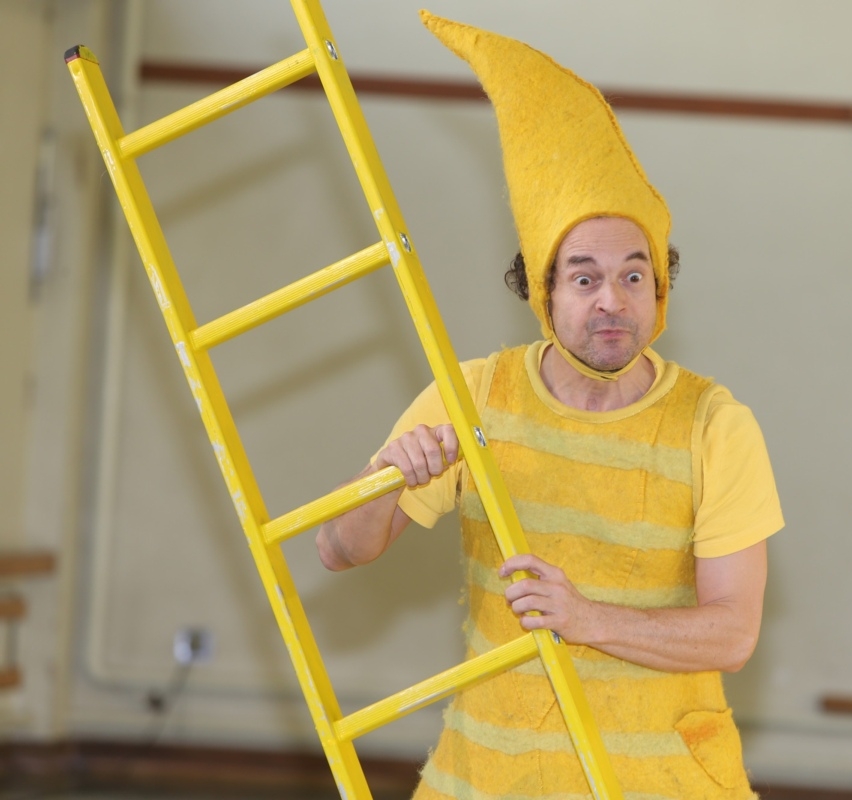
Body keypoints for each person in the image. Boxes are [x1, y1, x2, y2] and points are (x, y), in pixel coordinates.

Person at [316, 11, 784, 799]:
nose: (612, 300)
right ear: (543, 293)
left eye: (633, 276)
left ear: (659, 292)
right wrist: (388, 480)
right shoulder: (474, 395)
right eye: (584, 277)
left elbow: (733, 633)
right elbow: (338, 549)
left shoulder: (716, 426)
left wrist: (588, 618)